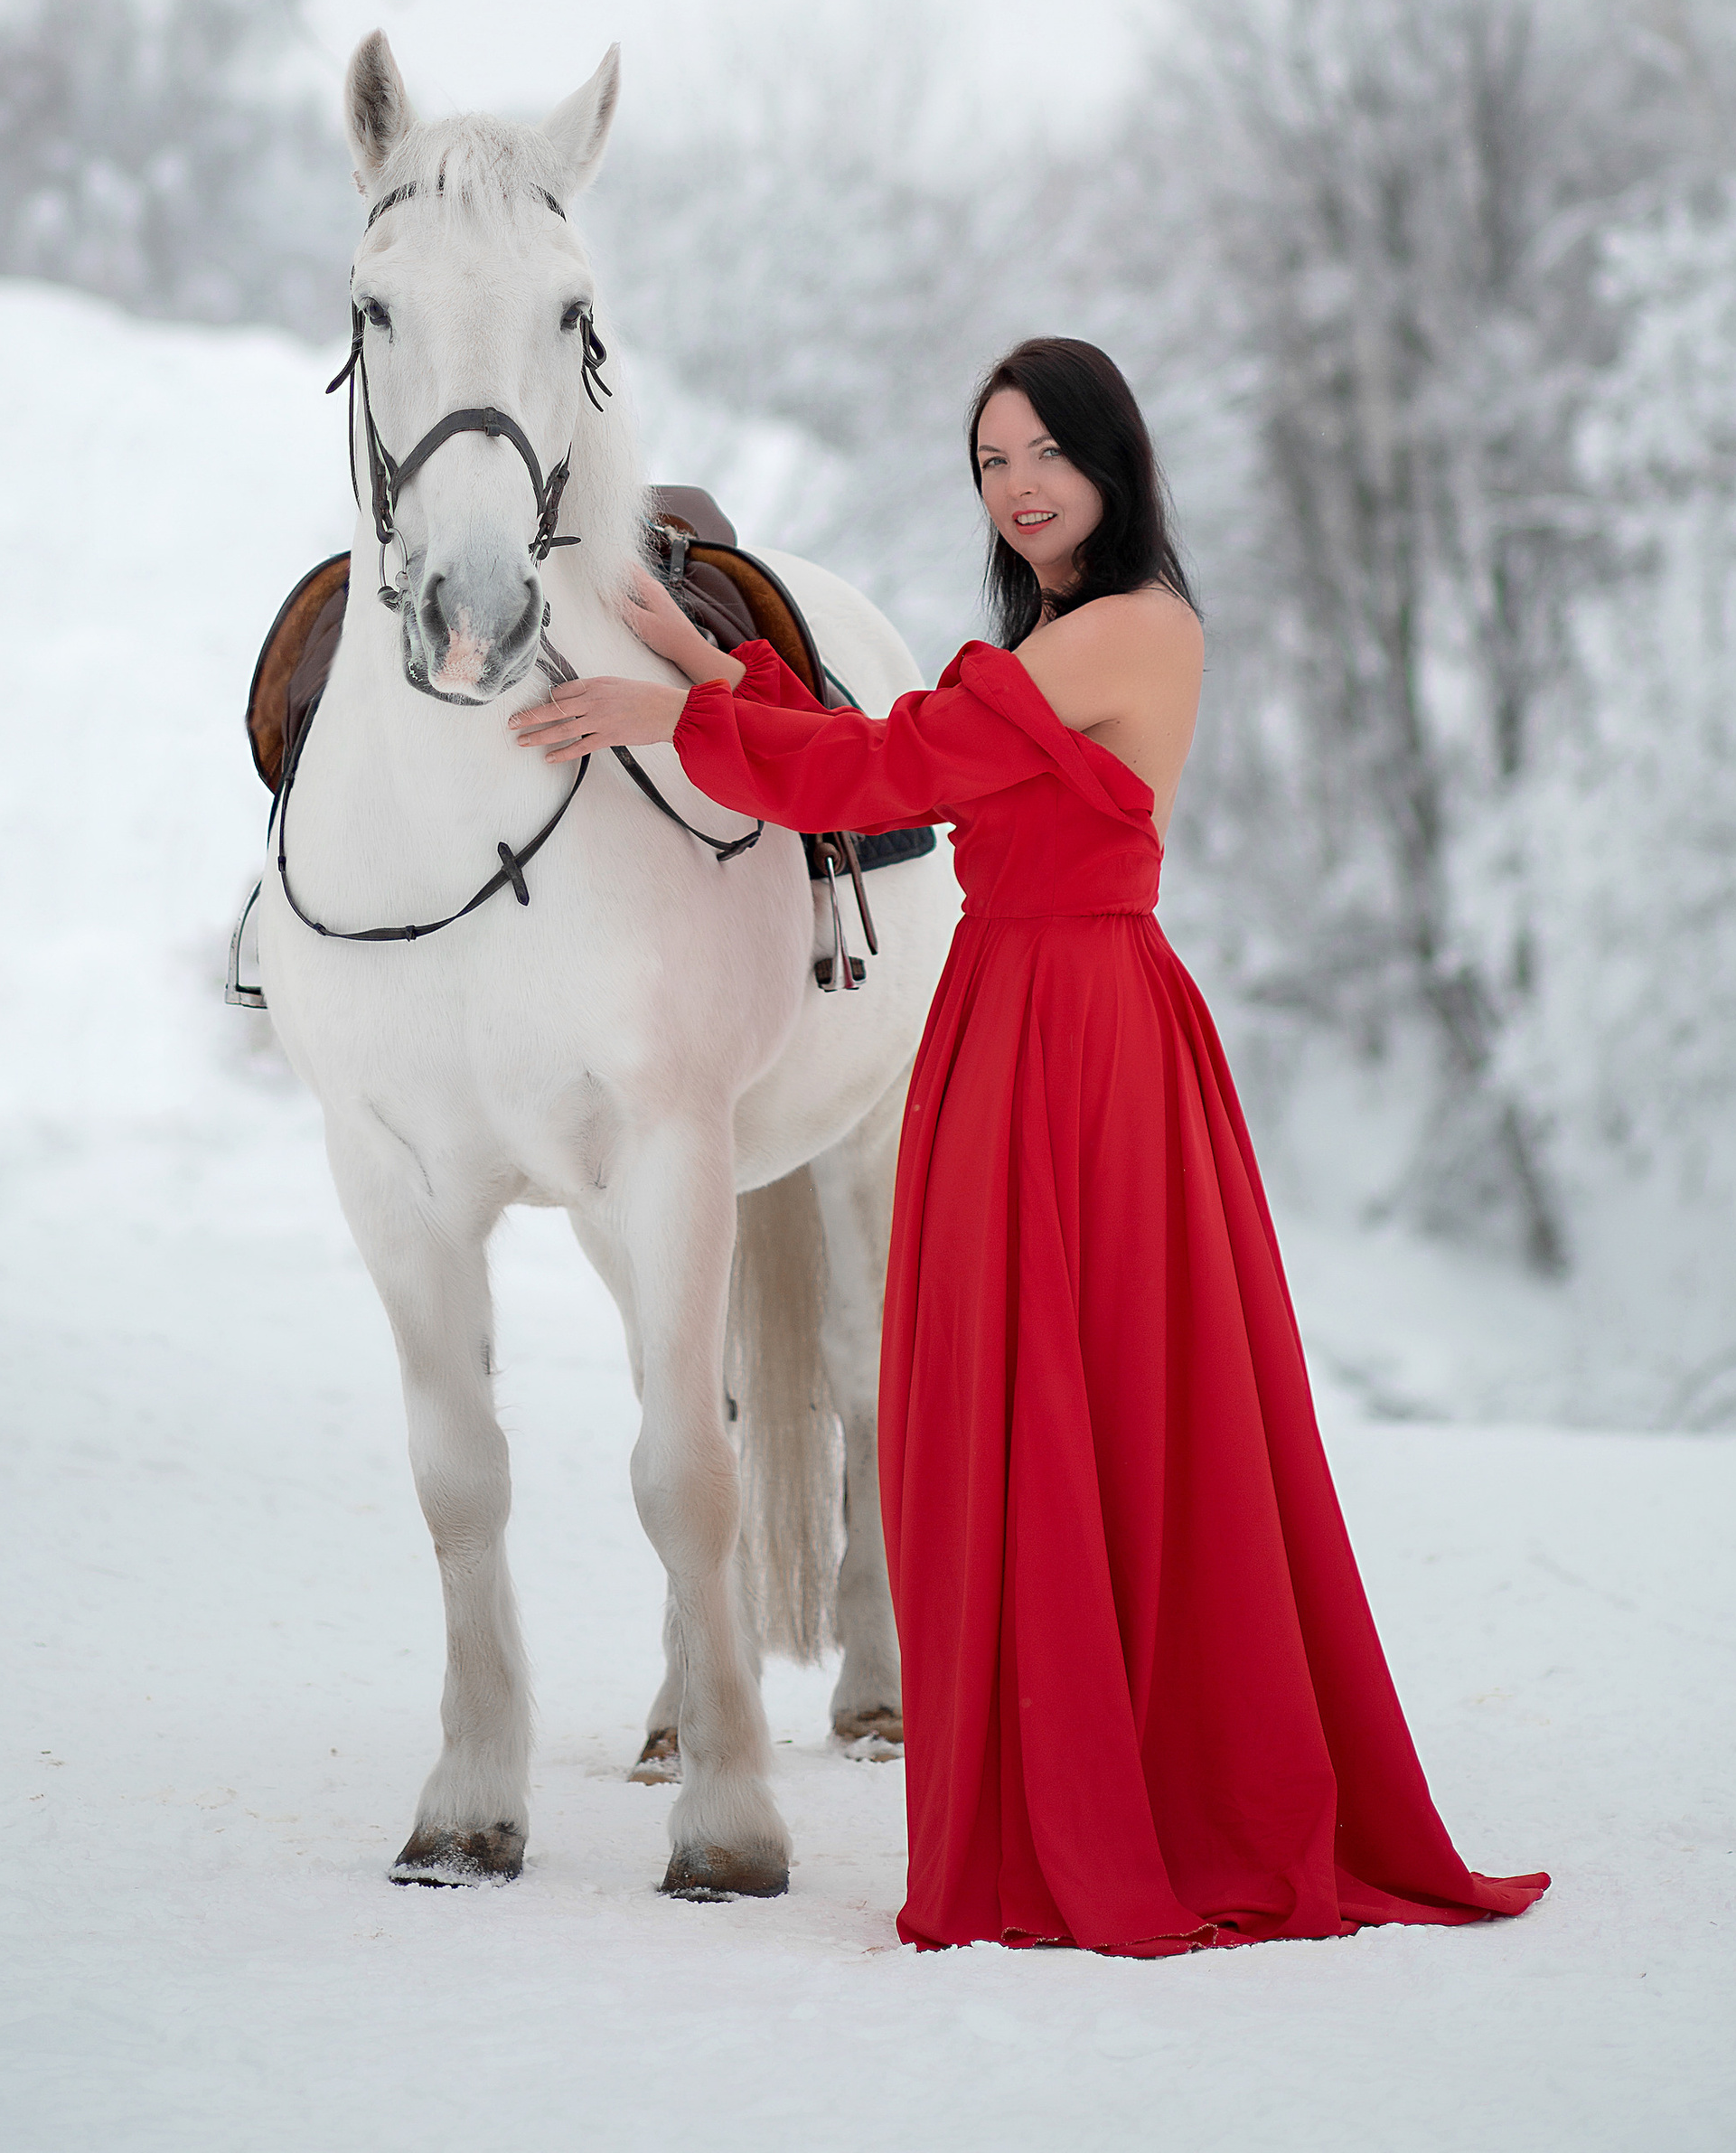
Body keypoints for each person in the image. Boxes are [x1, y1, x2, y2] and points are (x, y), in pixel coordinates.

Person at [510, 337, 1546, 1958]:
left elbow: (891, 768)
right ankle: (1065, 1776)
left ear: (1114, 459)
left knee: (1105, 1408)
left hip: (1089, 1038)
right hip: (1004, 1025)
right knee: (995, 1410)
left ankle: (1132, 1798)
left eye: (1045, 449)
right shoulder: (1048, 640)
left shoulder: (1135, 627)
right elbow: (905, 773)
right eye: (991, 462)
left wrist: (674, 708)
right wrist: (713, 682)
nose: (1019, 484)